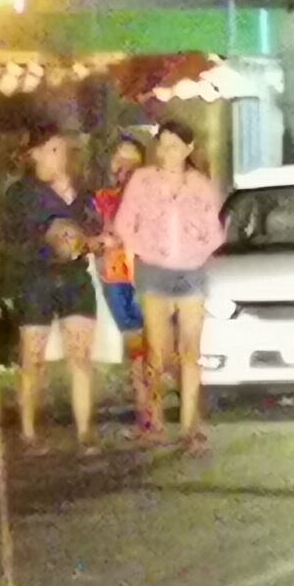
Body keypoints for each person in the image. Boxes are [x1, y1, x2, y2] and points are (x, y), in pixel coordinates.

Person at [111, 117, 226, 447]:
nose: (168, 152)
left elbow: (215, 230)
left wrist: (196, 251)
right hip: (154, 271)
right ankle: (154, 419)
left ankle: (190, 424)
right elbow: (124, 224)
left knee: (190, 350)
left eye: (175, 146)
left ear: (188, 149)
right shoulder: (143, 181)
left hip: (191, 272)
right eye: (163, 145)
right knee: (156, 351)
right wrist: (146, 249)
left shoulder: (200, 184)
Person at [0, 125, 107, 452]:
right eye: (51, 149)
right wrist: (50, 240)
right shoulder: (21, 194)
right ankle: (28, 431)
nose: (59, 155)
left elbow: (92, 230)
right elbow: (14, 240)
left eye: (61, 149)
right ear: (34, 154)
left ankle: (85, 430)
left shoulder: (82, 192)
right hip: (36, 279)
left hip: (74, 277)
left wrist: (94, 242)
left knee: (81, 356)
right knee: (33, 357)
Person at [92, 135, 157, 434]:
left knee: (152, 344)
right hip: (115, 276)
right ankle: (143, 410)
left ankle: (154, 410)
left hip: (145, 276)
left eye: (132, 161)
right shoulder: (102, 198)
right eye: (120, 159)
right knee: (135, 347)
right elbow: (92, 235)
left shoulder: (153, 196)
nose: (125, 166)